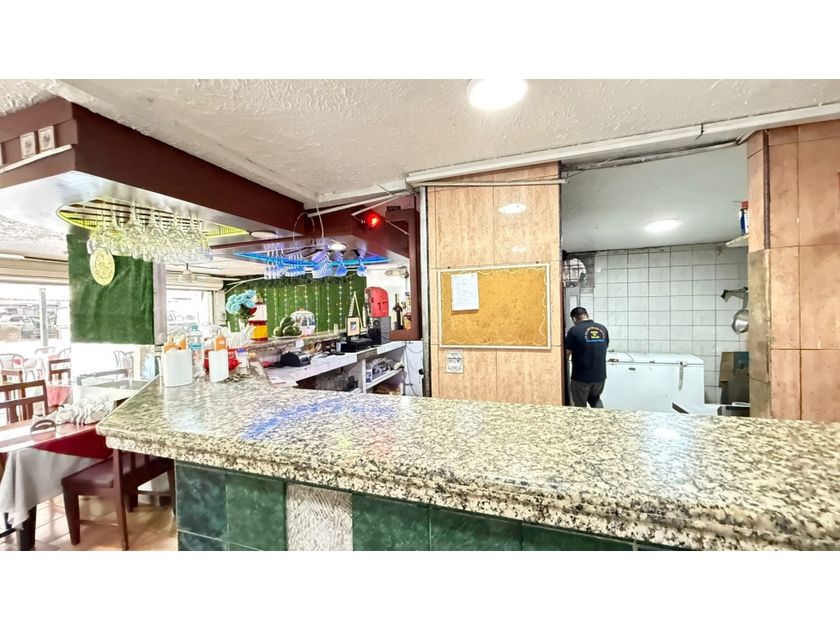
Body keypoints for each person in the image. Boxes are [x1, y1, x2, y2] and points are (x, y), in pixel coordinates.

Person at [564, 307, 609, 408]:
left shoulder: (574, 330)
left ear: (574, 318)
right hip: (600, 376)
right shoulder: (602, 328)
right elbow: (604, 347)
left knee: (580, 405)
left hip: (581, 377)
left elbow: (567, 353)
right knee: (595, 400)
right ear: (586, 315)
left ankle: (582, 419)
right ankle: (600, 418)